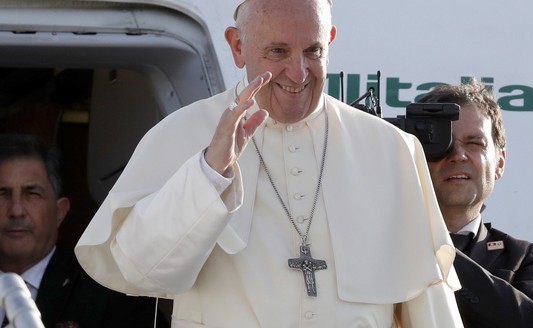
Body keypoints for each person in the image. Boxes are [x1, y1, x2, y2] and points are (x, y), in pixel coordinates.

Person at [74, 0, 464, 326]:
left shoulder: (389, 148)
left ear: (330, 40)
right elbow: (138, 270)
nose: (298, 73)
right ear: (238, 46)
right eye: (277, 52)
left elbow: (427, 300)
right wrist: (208, 175)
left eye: (313, 51)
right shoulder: (182, 134)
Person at [418, 79, 533, 327]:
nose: (457, 155)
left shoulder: (522, 258)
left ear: (500, 162)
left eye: (474, 143)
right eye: (442, 142)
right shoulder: (379, 243)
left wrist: (437, 251)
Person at [0, 133, 170, 328]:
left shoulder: (109, 288)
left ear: (60, 212)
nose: (16, 210)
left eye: (32, 194)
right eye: (2, 194)